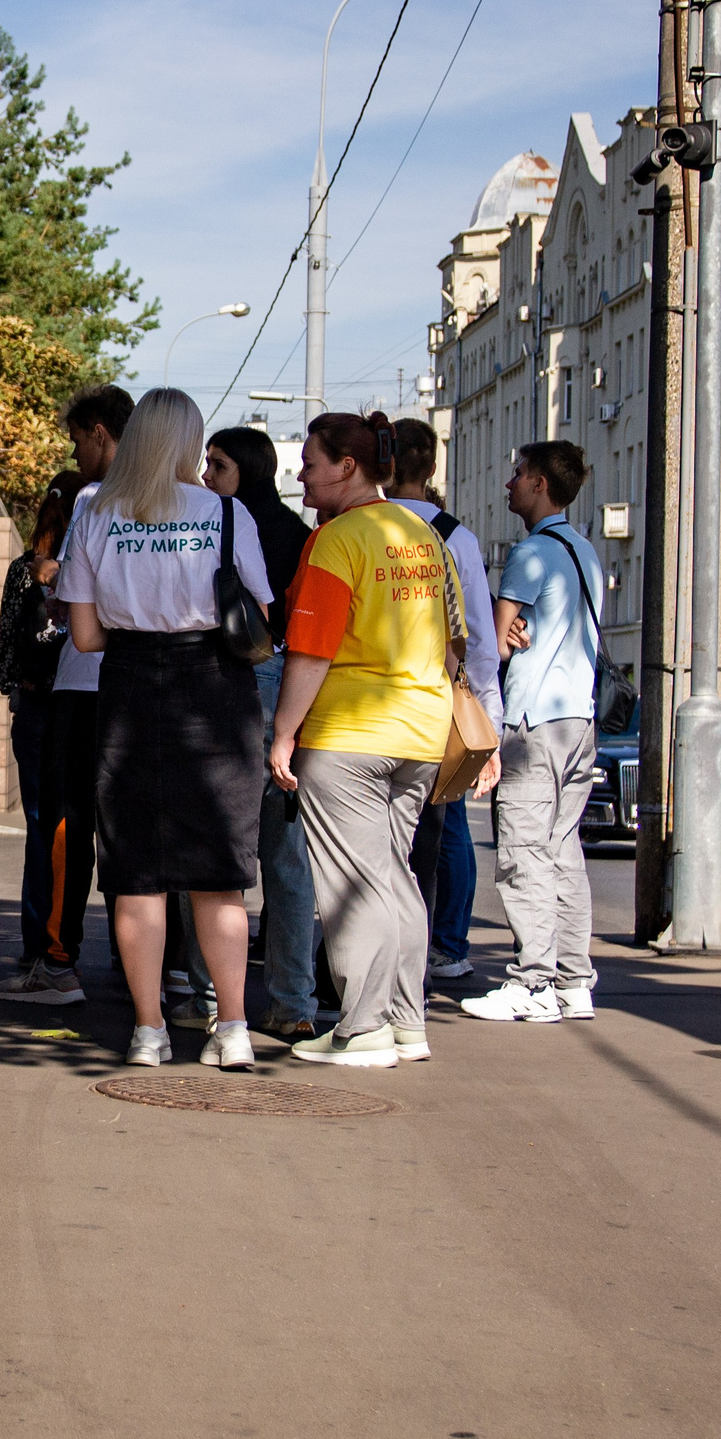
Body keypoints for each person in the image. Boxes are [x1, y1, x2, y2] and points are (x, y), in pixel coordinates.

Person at [57, 389, 274, 1069]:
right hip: (215, 692)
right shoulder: (228, 513)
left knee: (137, 873)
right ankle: (233, 1028)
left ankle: (148, 1030)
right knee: (220, 875)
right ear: (188, 442)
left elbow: (85, 634)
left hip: (127, 689)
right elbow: (261, 614)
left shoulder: (95, 514)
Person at [269, 410, 456, 1070]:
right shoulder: (420, 532)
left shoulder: (336, 540)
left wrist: (284, 734)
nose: (302, 473)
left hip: (351, 730)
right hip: (422, 730)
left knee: (353, 886)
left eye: (312, 463)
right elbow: (450, 638)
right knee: (394, 879)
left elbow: (310, 651)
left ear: (347, 466)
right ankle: (405, 1022)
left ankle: (363, 1026)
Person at [0, 388, 135, 1007]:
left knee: (66, 826)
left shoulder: (94, 501)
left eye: (78, 440)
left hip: (83, 683)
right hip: (149, 689)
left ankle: (56, 962)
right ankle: (162, 972)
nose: (76, 453)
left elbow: (71, 602)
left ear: (100, 433)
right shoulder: (198, 507)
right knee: (136, 832)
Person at [461, 441, 606, 1024]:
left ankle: (532, 983)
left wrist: (508, 632)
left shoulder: (531, 554)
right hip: (578, 716)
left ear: (541, 483)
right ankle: (573, 981)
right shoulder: (584, 551)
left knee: (523, 850)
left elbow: (493, 643)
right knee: (563, 850)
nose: (509, 484)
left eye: (518, 474)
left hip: (532, 722)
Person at [200, 424, 319, 1040]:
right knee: (286, 854)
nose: (206, 477)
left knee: (217, 846)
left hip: (237, 682)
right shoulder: (302, 536)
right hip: (291, 687)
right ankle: (294, 999)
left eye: (217, 465)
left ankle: (207, 996)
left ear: (243, 469)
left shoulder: (220, 525)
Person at [389, 418, 501, 984]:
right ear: (431, 469)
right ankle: (445, 944)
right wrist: (490, 723)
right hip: (436, 704)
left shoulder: (357, 525)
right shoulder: (456, 536)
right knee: (443, 828)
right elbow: (480, 639)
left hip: (361, 706)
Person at [0, 473, 82, 983]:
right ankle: (69, 941)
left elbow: (8, 646)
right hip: (76, 704)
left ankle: (35, 940)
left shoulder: (19, 570)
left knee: (37, 825)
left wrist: (14, 691)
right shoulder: (82, 569)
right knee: (77, 828)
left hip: (33, 706)